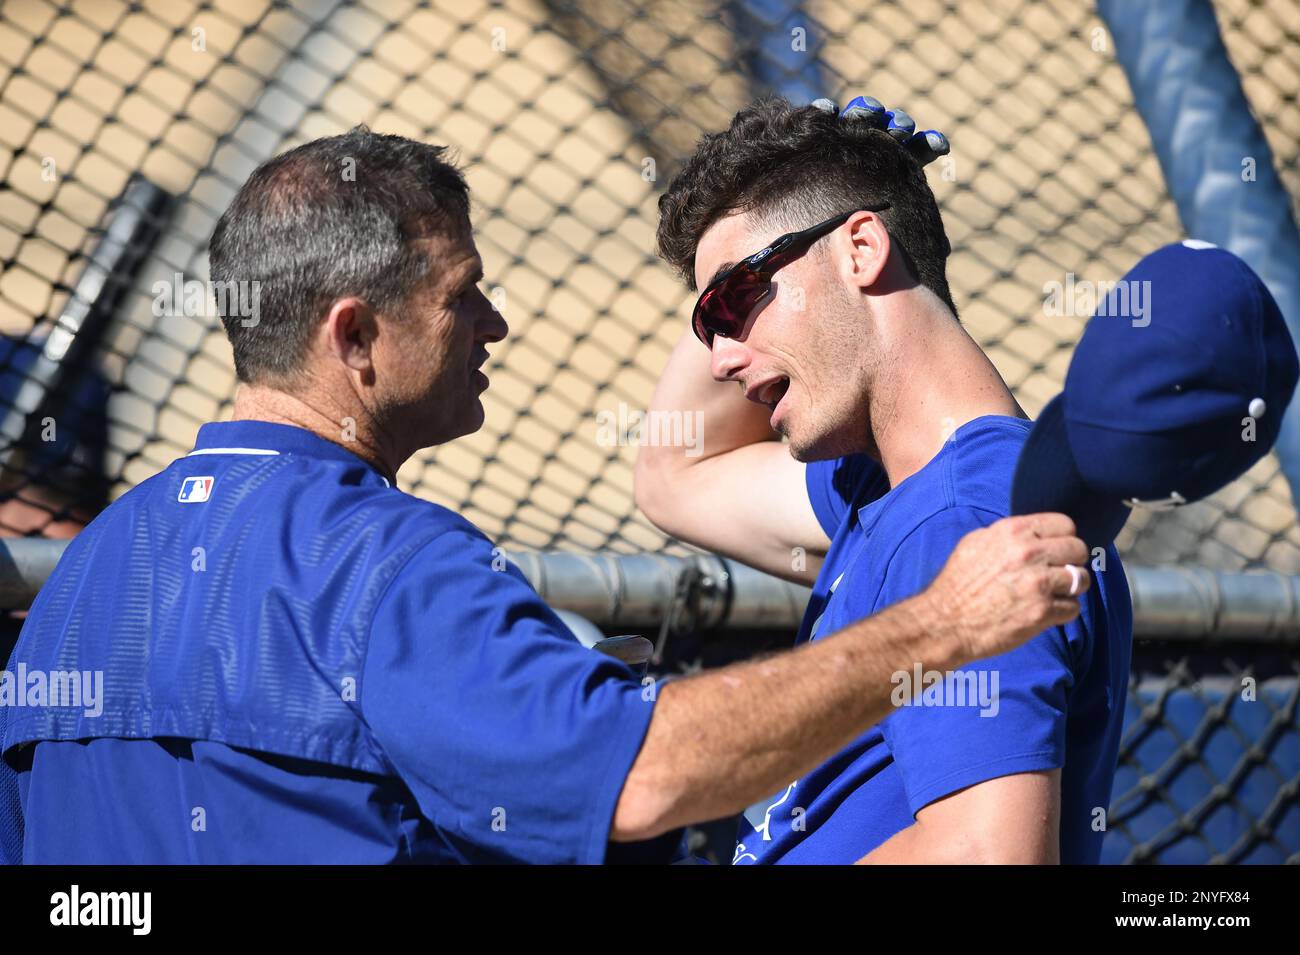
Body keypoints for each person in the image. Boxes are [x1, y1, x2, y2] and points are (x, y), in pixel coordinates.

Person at [0, 127, 1088, 864]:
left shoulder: (76, 585)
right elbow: (645, 774)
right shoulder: (384, 570)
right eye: (461, 297)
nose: (495, 328)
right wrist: (943, 622)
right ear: (354, 337)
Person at [638, 95, 1132, 863]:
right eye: (711, 326)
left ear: (860, 249)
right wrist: (757, 234)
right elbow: (676, 472)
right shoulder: (881, 491)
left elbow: (985, 855)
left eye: (739, 302)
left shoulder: (966, 519)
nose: (720, 360)